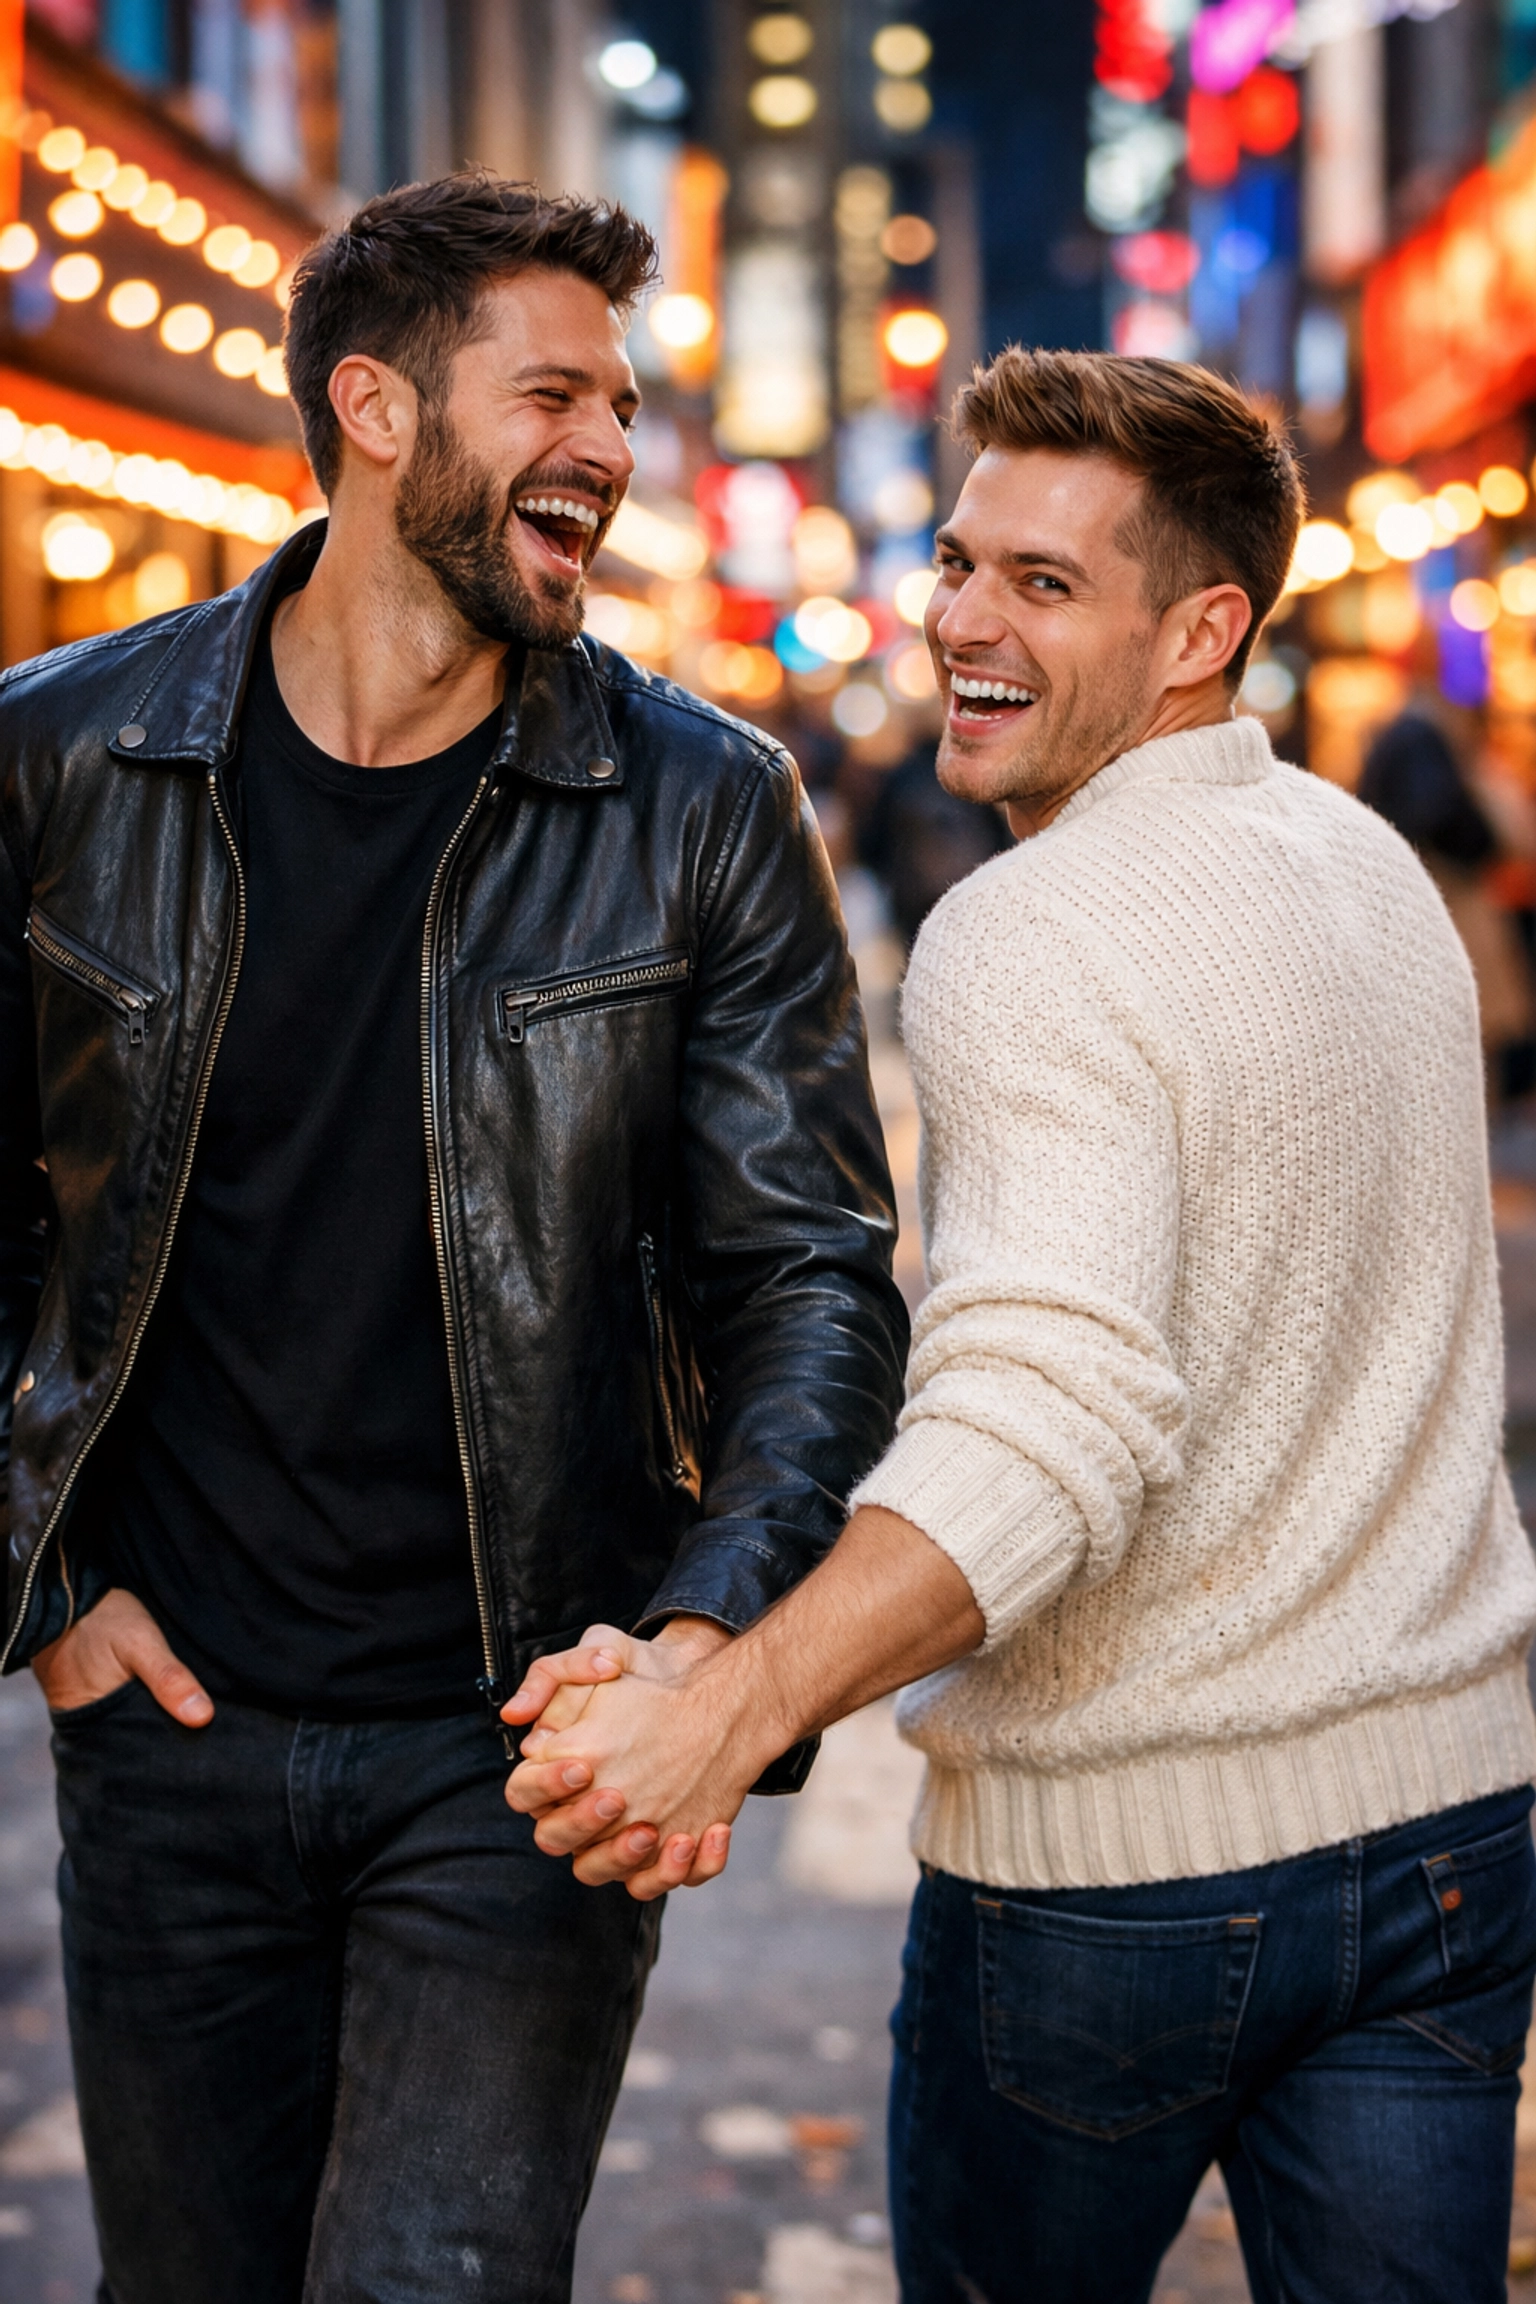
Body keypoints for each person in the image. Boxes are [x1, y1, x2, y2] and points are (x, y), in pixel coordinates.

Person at [506, 350, 1536, 2304]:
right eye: (964, 562)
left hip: (1118, 1890)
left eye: (1045, 586)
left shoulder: (1029, 932)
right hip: (1451, 1834)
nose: (963, 619)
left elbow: (1048, 1424)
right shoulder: (1370, 868)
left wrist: (723, 1710)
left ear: (1200, 630)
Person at [0, 172, 907, 2304]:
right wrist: (42, 1587)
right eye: (557, 392)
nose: (609, 444)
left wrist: (707, 1644)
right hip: (171, 1738)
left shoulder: (702, 806)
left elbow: (806, 1273)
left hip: (527, 1746)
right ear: (376, 407)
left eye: (623, 399)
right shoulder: (61, 757)